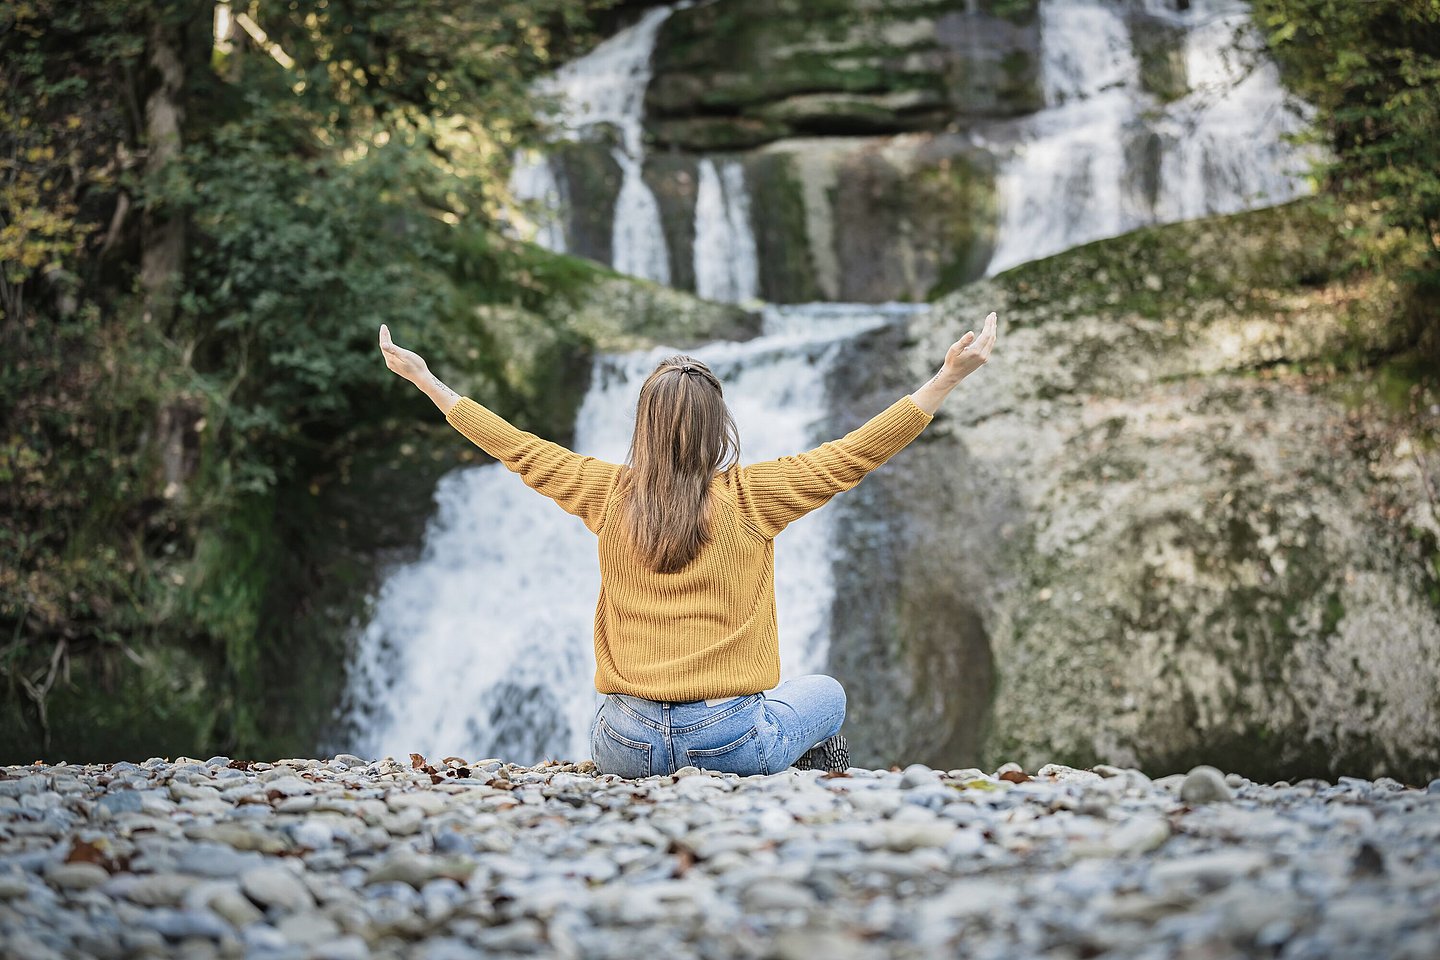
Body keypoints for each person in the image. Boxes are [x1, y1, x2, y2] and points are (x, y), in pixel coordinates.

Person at [377, 311, 998, 778]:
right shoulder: (757, 495)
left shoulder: (605, 492)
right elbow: (855, 453)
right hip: (729, 739)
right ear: (717, 427)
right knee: (827, 695)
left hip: (623, 743)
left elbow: (518, 447)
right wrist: (947, 377)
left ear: (642, 426)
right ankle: (814, 804)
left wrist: (430, 383)